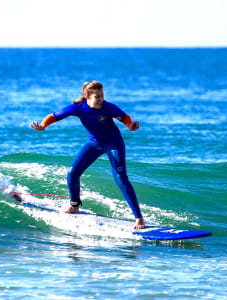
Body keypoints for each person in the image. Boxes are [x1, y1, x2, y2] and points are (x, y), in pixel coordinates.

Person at [31, 80, 145, 229]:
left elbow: (125, 117)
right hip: (94, 144)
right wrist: (43, 125)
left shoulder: (108, 107)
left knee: (121, 178)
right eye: (97, 96)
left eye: (102, 95)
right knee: (72, 173)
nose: (101, 99)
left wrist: (130, 126)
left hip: (114, 144)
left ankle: (139, 218)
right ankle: (74, 205)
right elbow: (54, 116)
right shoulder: (78, 108)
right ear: (87, 96)